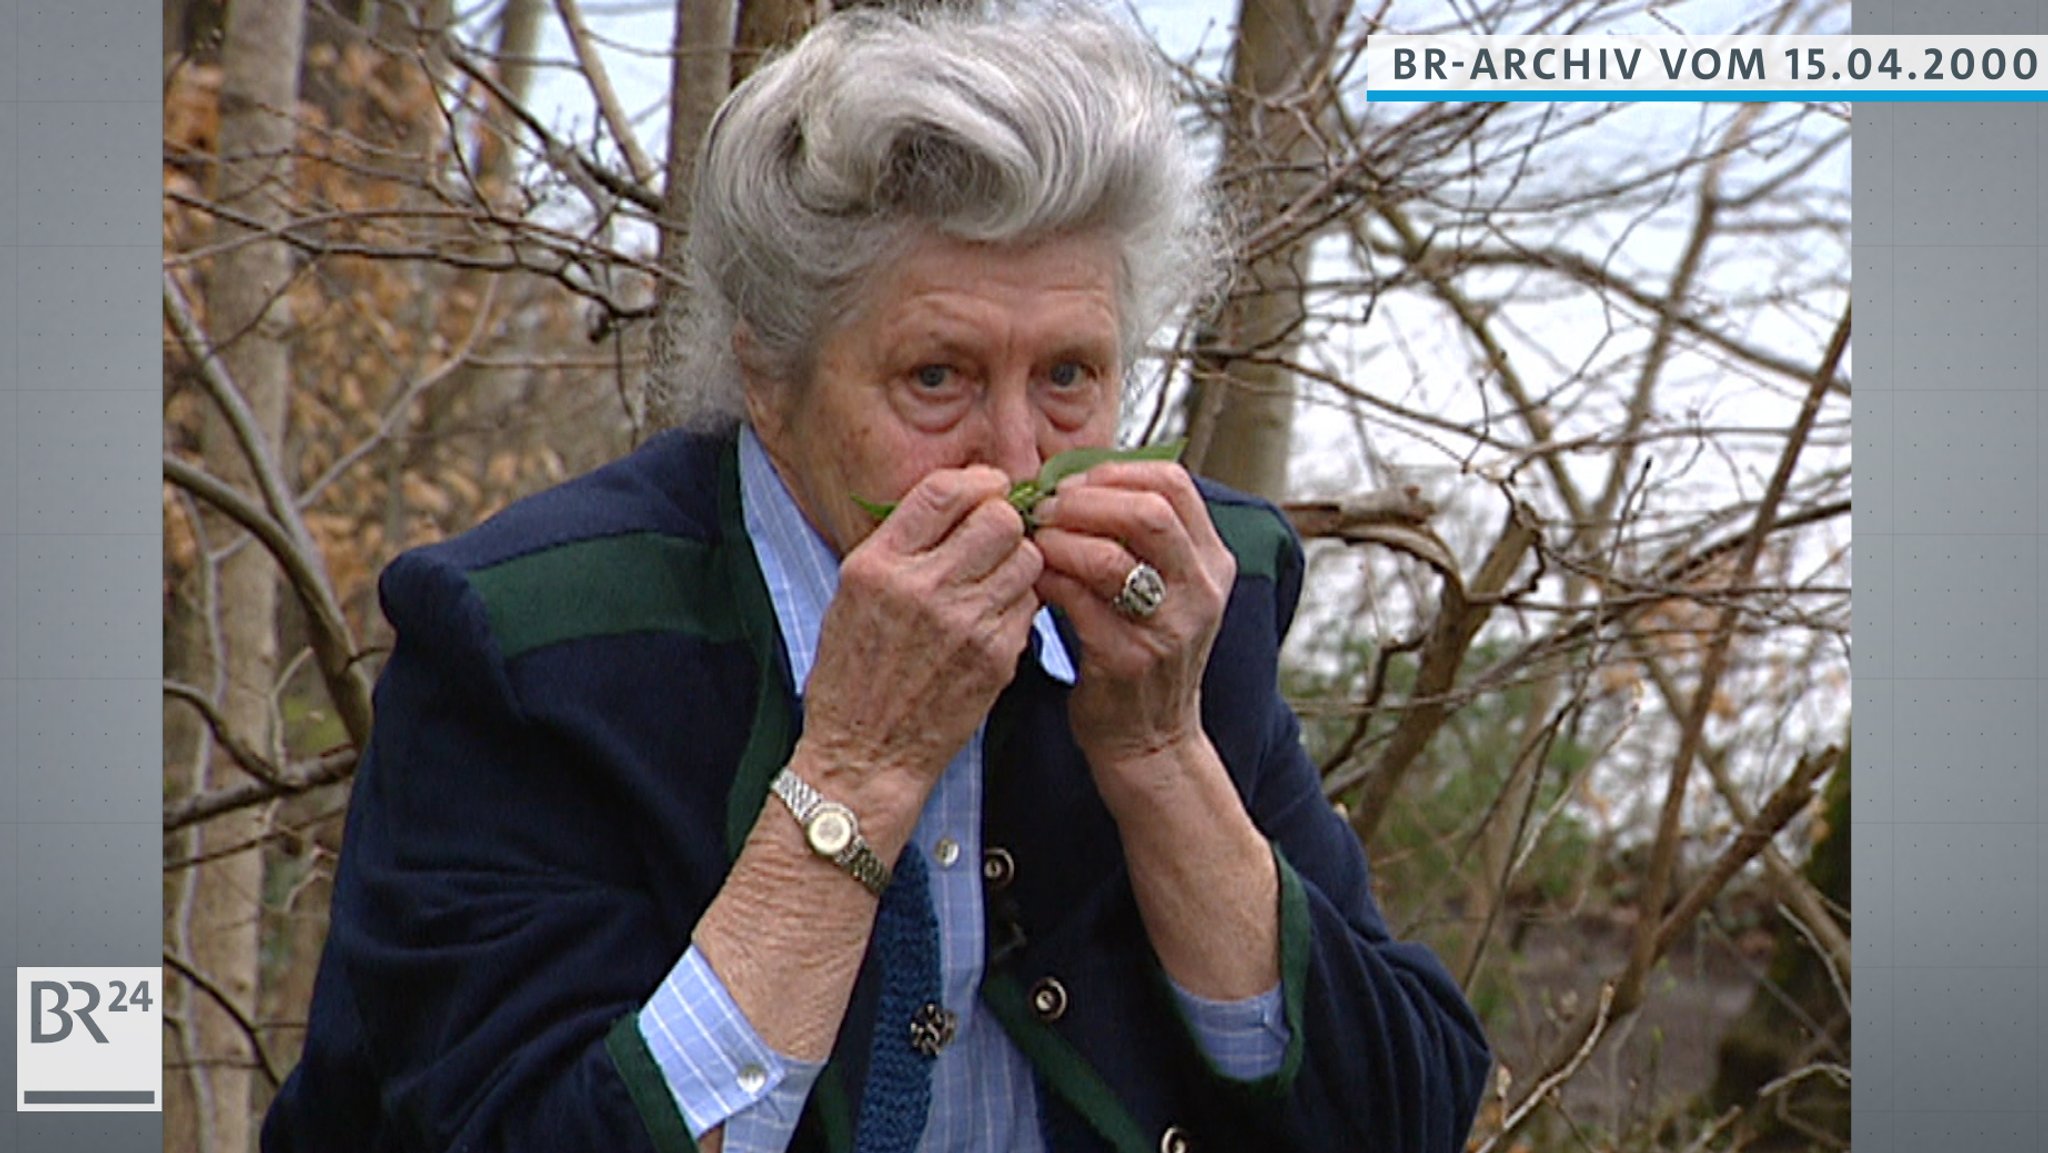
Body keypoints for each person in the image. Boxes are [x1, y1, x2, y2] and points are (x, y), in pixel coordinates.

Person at [261, 5, 1491, 1152]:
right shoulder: (534, 646)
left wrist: (1162, 754)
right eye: (936, 378)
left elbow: (1401, 1113)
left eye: (1069, 376)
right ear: (769, 377)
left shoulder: (1184, 601)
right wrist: (854, 769)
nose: (1015, 458)